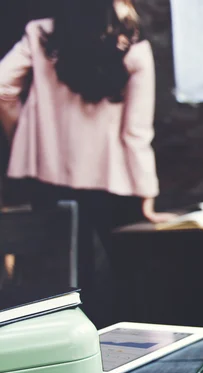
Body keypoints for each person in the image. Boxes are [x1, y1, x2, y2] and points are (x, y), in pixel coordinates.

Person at [0, 0, 175, 324]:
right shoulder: (134, 48)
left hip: (46, 176)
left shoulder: (40, 34)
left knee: (59, 285)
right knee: (125, 283)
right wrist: (147, 197)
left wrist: (24, 138)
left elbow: (3, 88)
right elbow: (136, 133)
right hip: (113, 181)